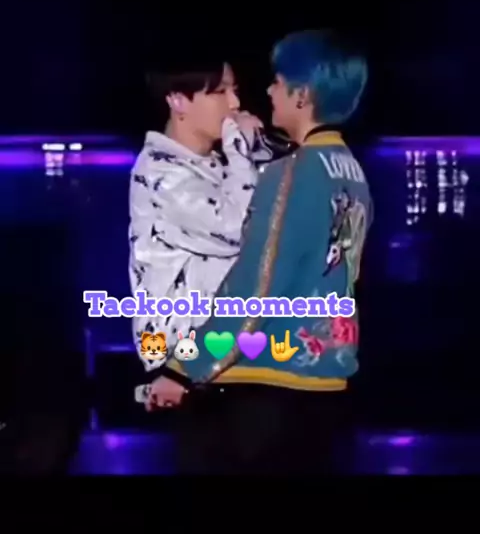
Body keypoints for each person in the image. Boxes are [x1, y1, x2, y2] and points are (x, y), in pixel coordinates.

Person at [150, 30, 373, 474]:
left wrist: (182, 368)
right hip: (328, 376)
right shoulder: (352, 172)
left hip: (268, 391)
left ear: (302, 95)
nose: (268, 91)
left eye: (277, 82)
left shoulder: (293, 171)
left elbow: (256, 286)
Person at [129, 52, 273, 396]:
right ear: (178, 101)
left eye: (235, 91)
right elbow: (237, 231)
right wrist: (241, 151)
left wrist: (257, 153)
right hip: (181, 365)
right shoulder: (161, 174)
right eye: (220, 92)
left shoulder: (217, 165)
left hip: (225, 356)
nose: (234, 104)